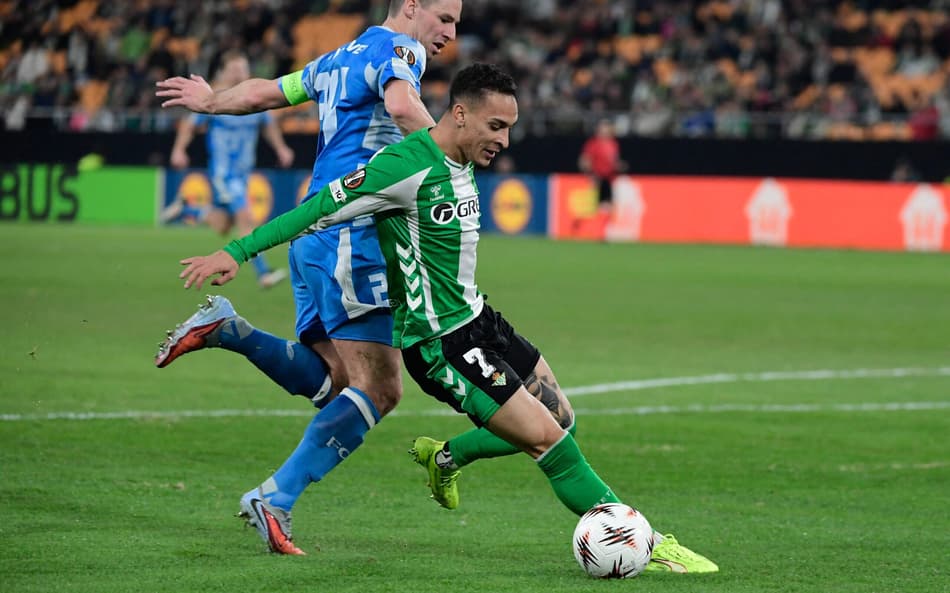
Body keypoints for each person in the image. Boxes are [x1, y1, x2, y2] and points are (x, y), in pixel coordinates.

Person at [175, 63, 718, 574]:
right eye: (496, 126)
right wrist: (237, 251)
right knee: (551, 442)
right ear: (460, 114)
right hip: (442, 346)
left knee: (562, 417)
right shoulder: (402, 168)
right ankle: (646, 540)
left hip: (482, 321)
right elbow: (315, 209)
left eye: (510, 128)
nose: (503, 140)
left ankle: (449, 456)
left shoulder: (460, 158)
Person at [154, 0, 461, 555]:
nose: (449, 32)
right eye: (444, 17)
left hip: (313, 234)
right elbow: (401, 101)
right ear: (411, 7)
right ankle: (276, 498)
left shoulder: (338, 57)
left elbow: (266, 92)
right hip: (355, 236)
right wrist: (451, 158)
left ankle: (229, 329)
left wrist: (210, 102)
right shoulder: (402, 50)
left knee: (335, 381)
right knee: (381, 389)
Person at [161, 49, 295, 289]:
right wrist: (179, 150)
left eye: (243, 69)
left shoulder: (254, 96)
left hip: (243, 173)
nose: (239, 74)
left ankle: (188, 208)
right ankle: (264, 274)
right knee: (246, 219)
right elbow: (189, 126)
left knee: (223, 225)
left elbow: (269, 125)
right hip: (224, 172)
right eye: (234, 69)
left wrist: (281, 148)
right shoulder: (215, 98)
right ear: (224, 71)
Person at [577, 118, 626, 238]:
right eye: (603, 128)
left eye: (607, 128)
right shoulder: (593, 144)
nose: (605, 131)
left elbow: (613, 161)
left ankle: (602, 232)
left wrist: (619, 165)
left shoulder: (613, 144)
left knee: (607, 206)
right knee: (596, 206)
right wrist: (589, 173)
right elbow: (585, 160)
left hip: (609, 179)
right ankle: (591, 232)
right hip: (597, 177)